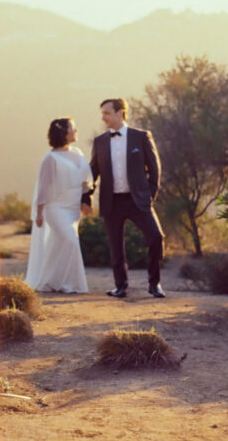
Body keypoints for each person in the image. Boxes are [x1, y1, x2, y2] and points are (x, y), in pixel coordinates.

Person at [81, 98, 165, 298]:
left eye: (107, 113)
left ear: (121, 113)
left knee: (156, 237)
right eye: (102, 113)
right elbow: (93, 171)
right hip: (112, 201)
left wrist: (150, 194)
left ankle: (155, 284)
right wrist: (86, 196)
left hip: (138, 200)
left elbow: (155, 168)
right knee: (116, 245)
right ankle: (121, 286)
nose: (103, 118)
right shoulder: (99, 141)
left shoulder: (141, 137)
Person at [25, 117, 93, 293]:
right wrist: (39, 213)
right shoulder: (50, 158)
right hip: (55, 208)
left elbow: (85, 182)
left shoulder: (78, 153)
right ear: (64, 132)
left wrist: (86, 202)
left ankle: (54, 281)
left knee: (59, 244)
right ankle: (63, 282)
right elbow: (43, 188)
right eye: (73, 128)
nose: (76, 131)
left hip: (72, 209)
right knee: (71, 241)